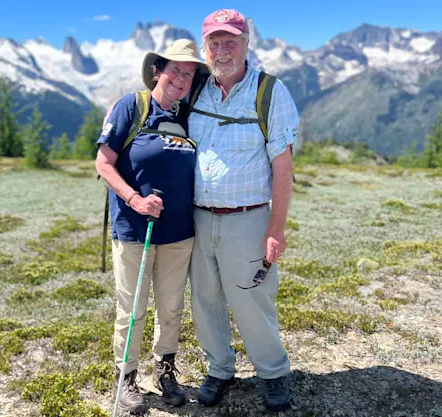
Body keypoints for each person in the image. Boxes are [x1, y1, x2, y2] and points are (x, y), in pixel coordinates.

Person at [186, 9, 298, 412]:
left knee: (252, 299)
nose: (222, 50)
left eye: (230, 41)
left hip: (247, 217)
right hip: (198, 217)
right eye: (214, 43)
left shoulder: (270, 92)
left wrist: (276, 229)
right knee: (205, 298)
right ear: (205, 48)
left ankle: (272, 372)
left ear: (247, 44)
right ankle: (219, 368)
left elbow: (283, 166)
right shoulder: (196, 88)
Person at [95, 38, 209, 413]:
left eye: (189, 74)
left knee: (171, 306)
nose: (181, 78)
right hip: (134, 229)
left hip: (179, 232)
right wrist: (135, 199)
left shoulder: (187, 118)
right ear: (158, 70)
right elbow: (103, 163)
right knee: (132, 309)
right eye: (176, 69)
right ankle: (126, 377)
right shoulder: (132, 107)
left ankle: (165, 371)